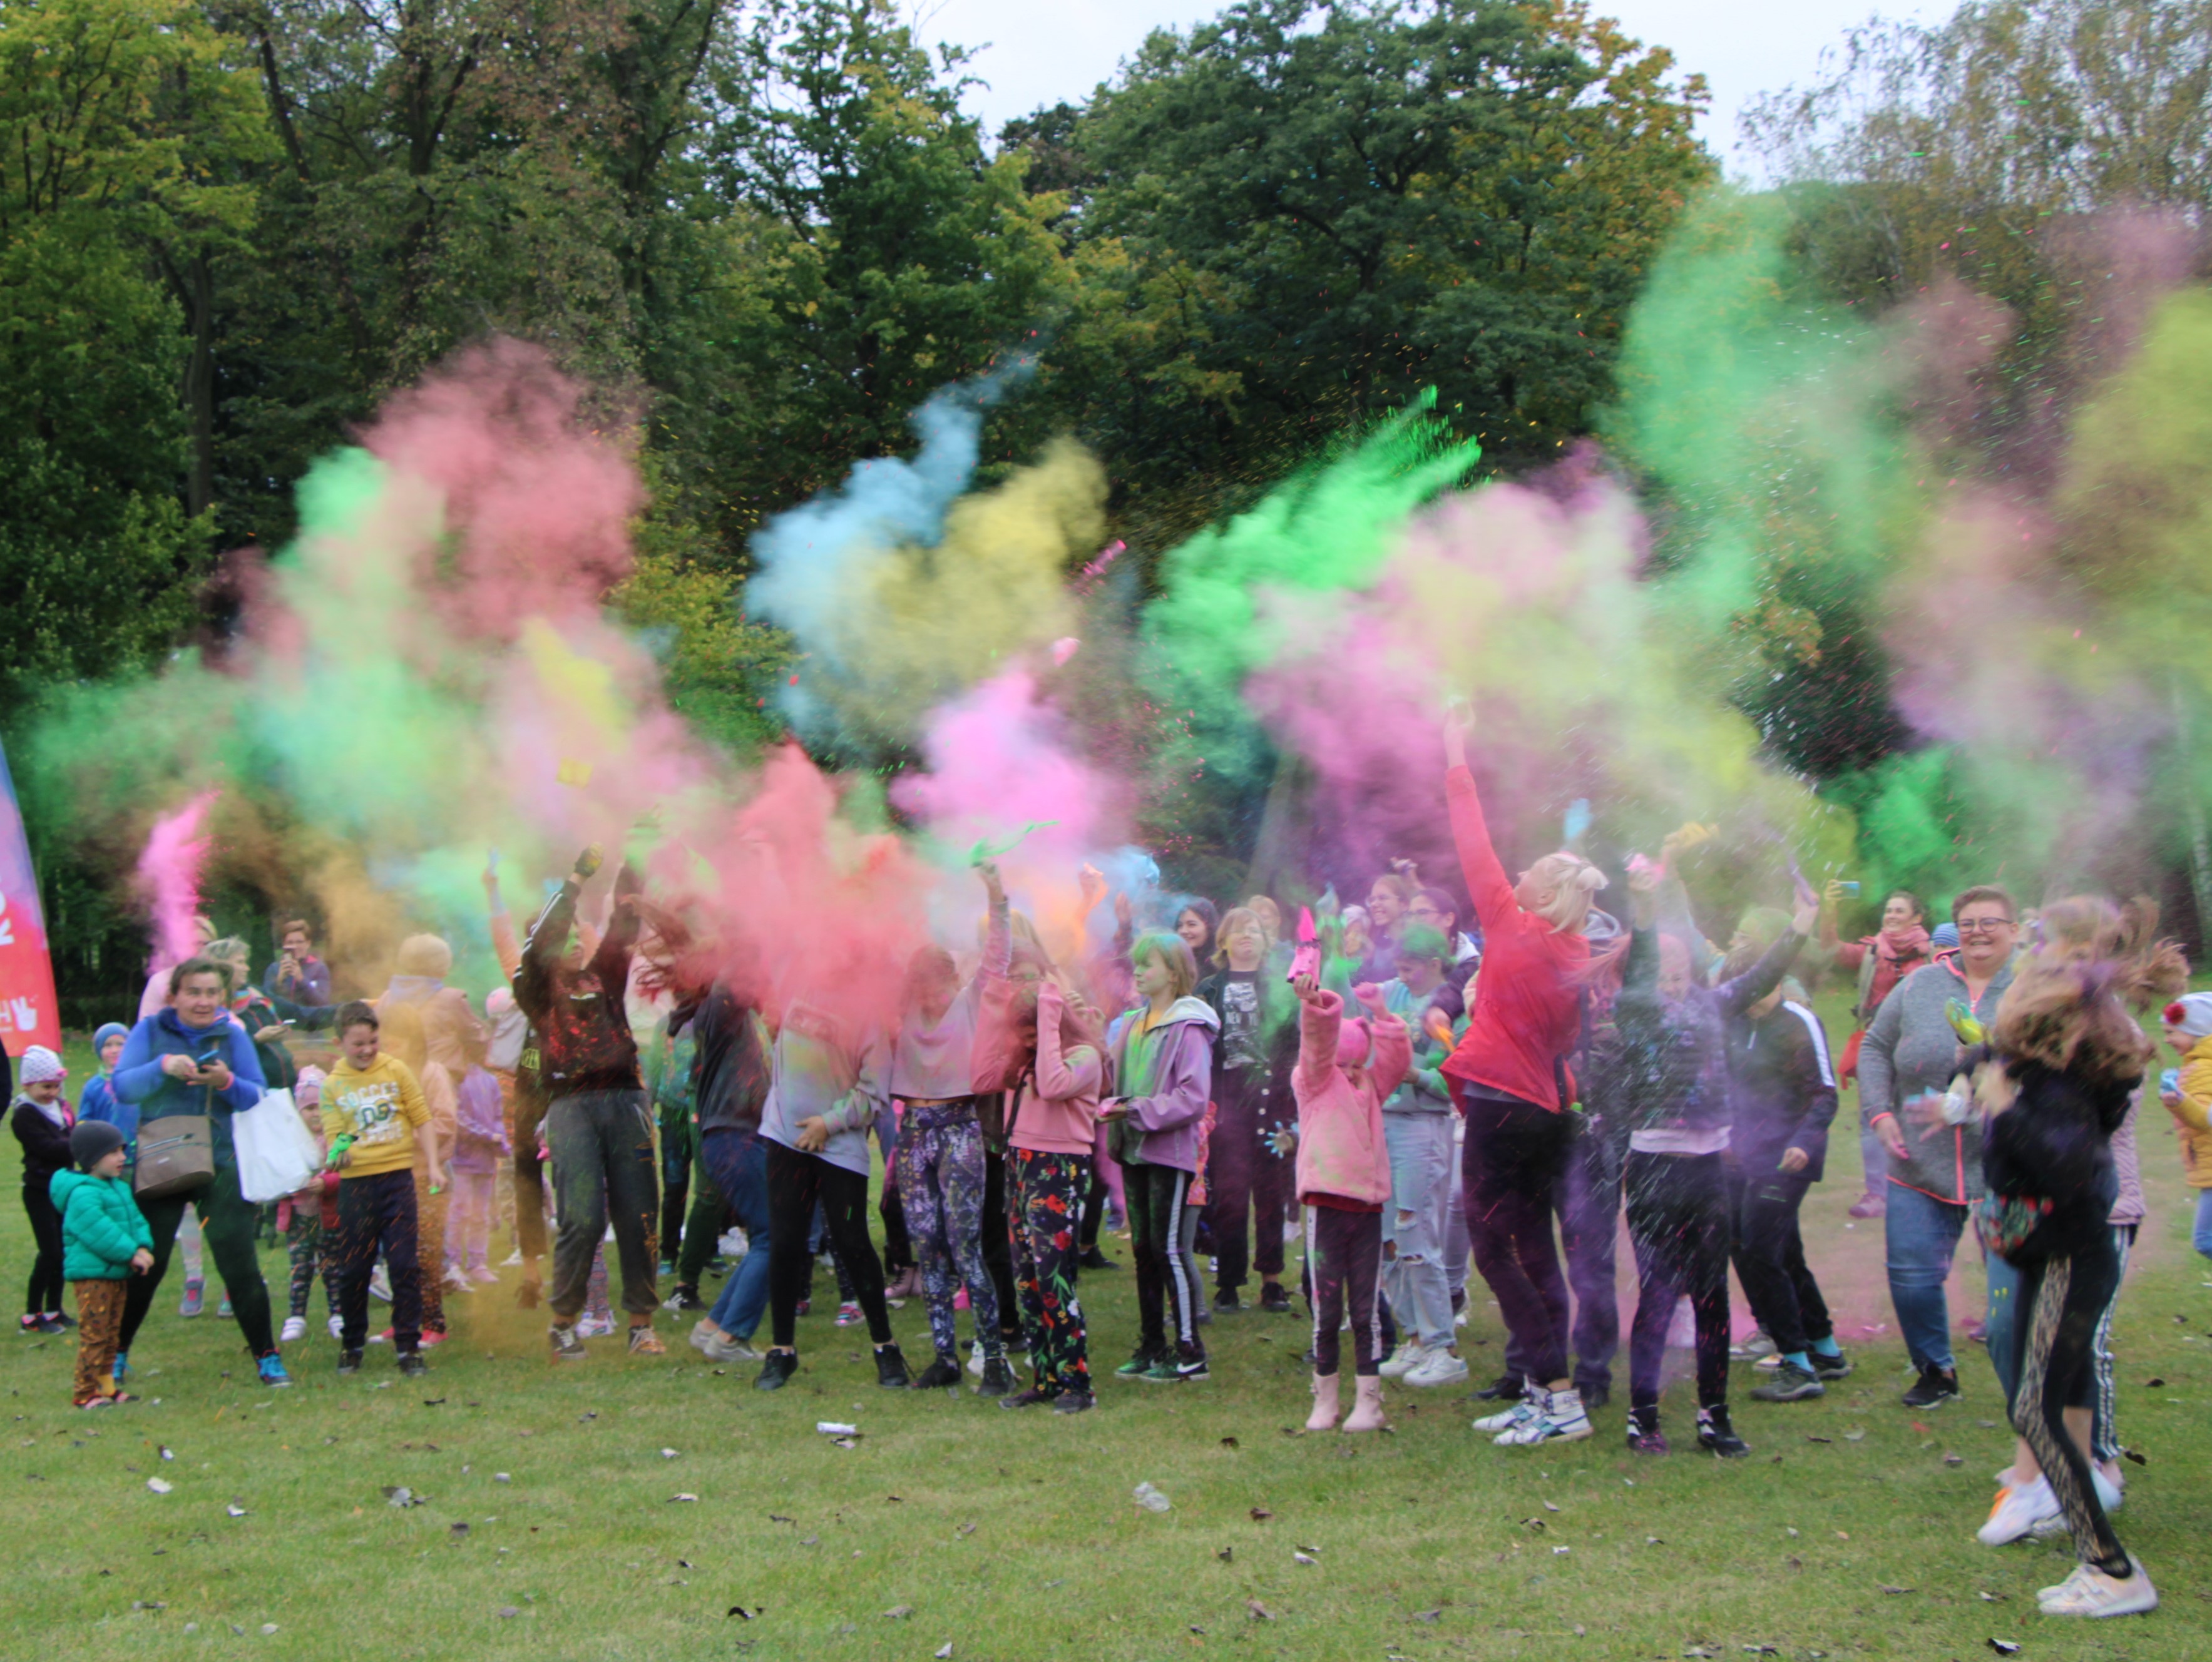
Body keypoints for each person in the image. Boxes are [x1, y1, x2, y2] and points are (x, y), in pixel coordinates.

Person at [1963, 912, 2167, 1617]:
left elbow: (2067, 1164)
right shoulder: (2063, 1055)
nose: (2018, 967)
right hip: (2063, 1253)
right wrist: (1984, 1067)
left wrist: (2002, 1105)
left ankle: (2111, 1569)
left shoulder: (2070, 1073)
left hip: (2074, 1255)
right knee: (2050, 1400)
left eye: (2033, 951)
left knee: (2036, 1408)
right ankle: (2098, 1556)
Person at [1439, 707, 1605, 1447]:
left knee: (1493, 1250)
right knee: (1535, 1248)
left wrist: (1453, 746)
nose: (1519, 869)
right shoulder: (1578, 959)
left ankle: (1558, 1395)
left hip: (1500, 1107)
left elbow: (1469, 830)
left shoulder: (1510, 922)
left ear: (1539, 893)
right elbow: (1569, 1043)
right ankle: (1545, 1391)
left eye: (1531, 869)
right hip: (1545, 1112)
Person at [1609, 865, 1815, 1457]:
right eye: (1661, 972)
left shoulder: (1712, 1003)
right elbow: (1644, 959)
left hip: (1709, 1170)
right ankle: (1643, 1417)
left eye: (1681, 970)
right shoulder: (1636, 1008)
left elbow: (1762, 976)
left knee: (1712, 1295)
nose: (1673, 980)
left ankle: (1713, 1416)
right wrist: (1645, 906)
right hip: (1654, 1170)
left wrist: (1802, 922)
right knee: (1656, 1293)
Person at [1858, 885, 2020, 1409]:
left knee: (2011, 1291)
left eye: (1990, 922)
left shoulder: (2034, 989)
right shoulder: (1921, 984)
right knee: (1910, 1274)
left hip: (2010, 1165)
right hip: (1918, 1159)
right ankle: (1935, 1370)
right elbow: (1877, 1047)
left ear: (2014, 931)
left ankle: (2028, 1377)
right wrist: (1880, 1114)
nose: (1978, 932)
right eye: (1968, 922)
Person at [515, 846, 663, 1359]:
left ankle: (641, 1326)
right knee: (581, 1217)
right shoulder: (533, 988)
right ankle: (563, 1323)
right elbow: (541, 940)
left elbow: (626, 918)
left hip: (625, 1100)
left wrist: (637, 852)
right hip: (571, 1107)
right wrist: (577, 877)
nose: (576, 940)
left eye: (579, 933)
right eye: (567, 934)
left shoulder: (603, 977)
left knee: (641, 1212)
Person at [112, 959, 289, 1385]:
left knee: (240, 1265)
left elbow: (254, 1096)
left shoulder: (231, 1034)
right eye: (194, 992)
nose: (204, 1001)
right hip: (162, 1159)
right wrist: (162, 1068)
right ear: (174, 996)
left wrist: (226, 1081)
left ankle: (267, 1357)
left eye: (212, 993)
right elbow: (122, 1086)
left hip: (220, 1164)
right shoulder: (151, 1032)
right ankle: (114, 1355)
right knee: (146, 1265)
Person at [889, 865, 1013, 1394]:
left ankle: (996, 1358)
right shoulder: (901, 1016)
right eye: (927, 982)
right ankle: (944, 1358)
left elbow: (997, 957)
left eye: (943, 980)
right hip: (915, 1132)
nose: (936, 991)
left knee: (966, 1248)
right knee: (928, 1247)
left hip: (960, 1129)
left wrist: (995, 898)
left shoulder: (969, 1003)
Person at [752, 982, 909, 1392]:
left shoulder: (868, 1013)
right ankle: (781, 1351)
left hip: (838, 1148)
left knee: (853, 1242)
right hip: (785, 1140)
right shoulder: (793, 989)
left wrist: (828, 1123)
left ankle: (885, 1347)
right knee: (785, 1243)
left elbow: (874, 1091)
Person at [1723, 929, 1850, 1404]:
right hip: (1741, 1156)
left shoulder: (1798, 1021)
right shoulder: (1733, 1019)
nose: (1752, 1001)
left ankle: (1795, 1362)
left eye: (1761, 990)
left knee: (1759, 1248)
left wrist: (1803, 1141)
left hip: (1788, 1156)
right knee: (1761, 1246)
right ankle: (1825, 1348)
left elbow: (1825, 1093)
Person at [1281, 974, 1409, 1434]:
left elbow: (1396, 1061)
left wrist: (1383, 1015)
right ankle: (1325, 1397)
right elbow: (1316, 1047)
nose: (1352, 1068)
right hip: (1326, 1208)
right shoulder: (1312, 1080)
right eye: (1345, 1059)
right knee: (1326, 1305)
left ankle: (1368, 1401)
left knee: (1365, 1309)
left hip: (1368, 1212)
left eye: (1359, 1059)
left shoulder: (1370, 1086)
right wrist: (1318, 1005)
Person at [1103, 931, 1219, 1384]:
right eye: (1136, 963)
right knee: (1143, 1251)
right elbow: (1112, 1078)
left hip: (1169, 1155)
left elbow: (1193, 1098)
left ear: (1174, 972)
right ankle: (1152, 1346)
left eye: (1147, 964)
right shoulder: (1131, 1024)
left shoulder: (1190, 1028)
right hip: (1132, 1151)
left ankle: (1190, 1352)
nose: (1138, 971)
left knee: (1169, 1249)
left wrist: (1138, 1109)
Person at [998, 974, 1108, 1411]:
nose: (1024, 1037)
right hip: (1020, 1162)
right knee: (1026, 1278)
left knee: (1053, 1276)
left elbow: (1055, 1085)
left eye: (1033, 1028)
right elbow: (983, 1073)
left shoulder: (1084, 1056)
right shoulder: (1027, 1059)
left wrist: (1050, 1012)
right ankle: (1044, 1378)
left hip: (1057, 1168)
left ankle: (1076, 1383)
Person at [321, 1001, 439, 1377]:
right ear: (340, 1042)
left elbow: (422, 1117)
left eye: (372, 1041)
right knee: (355, 1268)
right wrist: (338, 1154)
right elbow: (334, 1137)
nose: (367, 1050)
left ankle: (409, 1346)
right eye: (358, 1044)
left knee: (405, 1265)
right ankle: (352, 1344)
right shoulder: (333, 1085)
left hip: (398, 1181)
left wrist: (434, 1165)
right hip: (357, 1188)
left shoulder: (396, 1070)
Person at [1375, 925, 1470, 1388]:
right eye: (1397, 968)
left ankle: (1443, 1347)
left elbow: (1454, 1078)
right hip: (1383, 1125)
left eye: (1409, 968)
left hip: (1423, 1128)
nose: (1402, 977)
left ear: (1436, 963)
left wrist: (1413, 1074)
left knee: (1416, 1234)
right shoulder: (1391, 994)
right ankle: (1411, 1338)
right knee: (1388, 1237)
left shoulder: (1453, 1010)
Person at [1196, 907, 1296, 1315]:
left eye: (1254, 930)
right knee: (1231, 1194)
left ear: (1266, 939)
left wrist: (1289, 1107)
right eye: (1237, 931)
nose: (1247, 936)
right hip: (1228, 1098)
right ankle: (1230, 1282)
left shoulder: (1280, 987)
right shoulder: (1208, 991)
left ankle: (1272, 1281)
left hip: (1272, 1098)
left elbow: (1293, 1046)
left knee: (1271, 1192)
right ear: (1222, 941)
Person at [1820, 884, 1933, 1219]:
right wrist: (1830, 909)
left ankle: (1917, 1190)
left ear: (1917, 917)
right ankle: (1877, 1194)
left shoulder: (1931, 955)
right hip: (1876, 1046)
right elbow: (1830, 948)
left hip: (1917, 1046)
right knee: (1874, 1116)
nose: (1892, 916)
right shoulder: (1872, 952)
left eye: (1900, 910)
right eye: (1888, 910)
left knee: (1916, 1115)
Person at [685, 972, 775, 1365]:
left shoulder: (737, 1018)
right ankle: (731, 1336)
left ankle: (713, 1327)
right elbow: (734, 971)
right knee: (776, 1238)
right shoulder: (723, 1008)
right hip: (735, 1138)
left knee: (768, 1236)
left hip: (733, 1138)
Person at [51, 1120, 154, 1407]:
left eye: (123, 1151)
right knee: (95, 1336)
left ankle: (107, 1387)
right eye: (114, 1153)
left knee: (111, 1334)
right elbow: (100, 1232)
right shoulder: (83, 1194)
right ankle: (84, 1394)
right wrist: (131, 1253)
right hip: (92, 1277)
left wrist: (144, 1246)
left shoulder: (117, 1188)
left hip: (115, 1274)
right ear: (93, 1159)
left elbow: (136, 1221)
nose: (123, 1158)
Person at [13, 1045, 75, 1335]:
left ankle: (55, 1309)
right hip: (39, 1190)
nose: (52, 1092)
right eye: (46, 1087)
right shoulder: (24, 1114)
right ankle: (32, 1314)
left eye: (56, 1086)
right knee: (48, 1251)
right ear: (28, 1084)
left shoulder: (61, 1107)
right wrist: (78, 1145)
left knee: (63, 1251)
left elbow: (71, 1134)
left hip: (64, 1187)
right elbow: (46, 1147)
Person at [279, 1066, 341, 1342]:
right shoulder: (290, 1140)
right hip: (299, 1215)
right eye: (309, 1108)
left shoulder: (336, 1139)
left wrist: (326, 1183)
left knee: (332, 1266)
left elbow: (345, 1172)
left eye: (321, 1106)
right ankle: (296, 1316)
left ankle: (338, 1313)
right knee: (300, 1266)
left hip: (329, 1215)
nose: (316, 1113)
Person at [2159, 992, 2212, 1268]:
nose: (2167, 1039)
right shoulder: (2197, 1065)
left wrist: (2179, 1102)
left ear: (2196, 1030)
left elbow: (2205, 1118)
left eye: (2172, 1032)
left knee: (2206, 1239)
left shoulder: (2204, 1068)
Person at [445, 1061, 508, 1285]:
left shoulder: (490, 1080)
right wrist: (487, 1136)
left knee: (481, 1213)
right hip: (462, 1159)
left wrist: (501, 1143)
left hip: (486, 1160)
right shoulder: (455, 1077)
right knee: (459, 1212)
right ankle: (452, 1264)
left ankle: (477, 1263)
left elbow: (498, 1115)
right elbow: (456, 1116)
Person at [75, 1024, 135, 1149]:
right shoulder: (92, 1087)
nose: (115, 1050)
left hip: (136, 1151)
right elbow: (85, 1121)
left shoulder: (138, 1080)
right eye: (108, 1045)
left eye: (120, 1044)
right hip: (105, 1152)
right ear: (99, 1051)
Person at [263, 918, 333, 1008]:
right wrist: (278, 982)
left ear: (308, 944)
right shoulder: (274, 968)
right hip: (281, 1019)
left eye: (299, 942)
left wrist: (301, 979)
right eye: (290, 942)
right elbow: (264, 1001)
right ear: (284, 944)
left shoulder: (319, 968)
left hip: (310, 1020)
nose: (295, 947)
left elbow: (323, 1003)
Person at [1174, 897, 1220, 968]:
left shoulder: (1222, 966)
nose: (1183, 931)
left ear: (1209, 928)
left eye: (1192, 925)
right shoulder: (1172, 963)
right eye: (1180, 925)